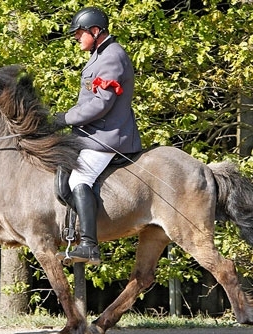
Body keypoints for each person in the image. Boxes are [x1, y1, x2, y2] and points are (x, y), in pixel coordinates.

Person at [55, 7, 142, 265]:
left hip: (106, 136)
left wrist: (66, 118)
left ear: (95, 31)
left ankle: (90, 246)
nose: (76, 38)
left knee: (79, 179)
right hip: (92, 133)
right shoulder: (100, 54)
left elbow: (101, 104)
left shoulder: (111, 57)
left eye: (79, 33)